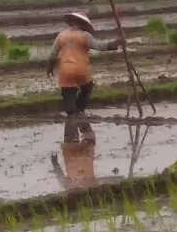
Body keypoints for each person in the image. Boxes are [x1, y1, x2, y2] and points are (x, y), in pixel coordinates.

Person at [46, 12, 122, 142]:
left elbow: (53, 54)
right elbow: (100, 46)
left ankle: (71, 126)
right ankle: (80, 110)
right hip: (81, 69)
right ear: (83, 24)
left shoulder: (61, 35)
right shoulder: (85, 36)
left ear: (71, 22)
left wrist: (49, 67)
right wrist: (116, 43)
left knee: (68, 92)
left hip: (65, 69)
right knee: (87, 86)